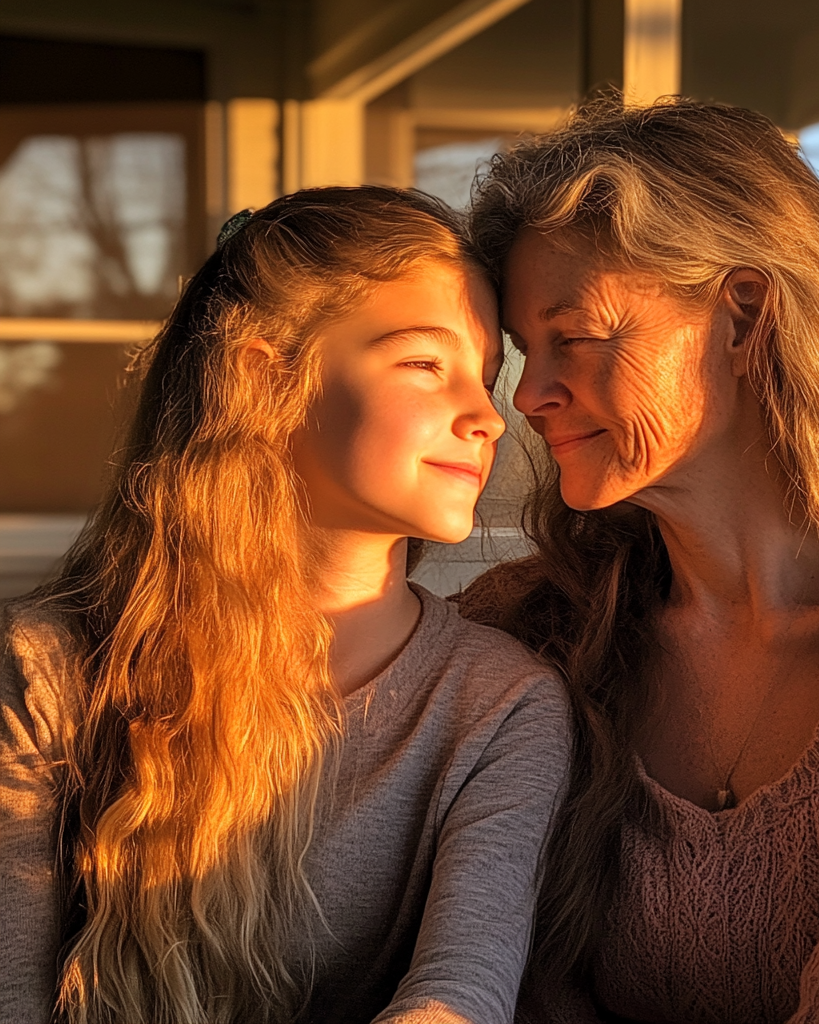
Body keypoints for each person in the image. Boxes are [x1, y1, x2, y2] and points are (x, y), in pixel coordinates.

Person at [457, 99, 819, 1023]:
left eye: (579, 336)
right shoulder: (533, 629)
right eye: (525, 351)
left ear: (744, 313)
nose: (530, 396)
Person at [0, 187, 570, 1024]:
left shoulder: (500, 706)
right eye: (424, 363)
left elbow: (461, 993)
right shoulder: (47, 669)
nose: (487, 416)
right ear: (264, 378)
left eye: (486, 378)